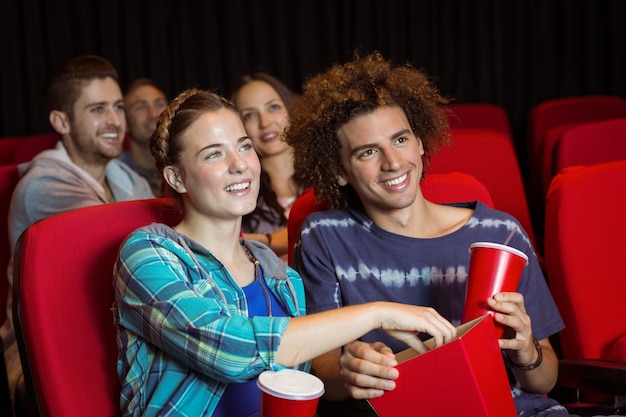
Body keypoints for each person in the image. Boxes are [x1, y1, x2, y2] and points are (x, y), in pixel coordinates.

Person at [113, 88, 458, 417]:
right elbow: (231, 352)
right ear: (177, 178)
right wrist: (377, 314)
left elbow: (301, 381)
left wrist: (353, 364)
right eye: (214, 154)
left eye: (244, 147)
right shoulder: (149, 252)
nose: (240, 164)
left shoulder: (281, 276)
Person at [285, 52, 586, 417]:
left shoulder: (501, 232)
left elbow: (545, 381)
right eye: (368, 152)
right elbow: (324, 372)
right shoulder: (326, 238)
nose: (393, 163)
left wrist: (528, 352)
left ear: (421, 143)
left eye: (400, 139)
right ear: (339, 172)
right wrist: (349, 368)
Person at [2, 54, 153, 416]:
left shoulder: (124, 176)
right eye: (98, 109)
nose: (116, 121)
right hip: (46, 348)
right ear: (61, 121)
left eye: (118, 107)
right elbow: (133, 244)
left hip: (118, 331)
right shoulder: (43, 184)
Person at [230, 73, 302, 260]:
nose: (265, 123)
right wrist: (271, 240)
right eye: (250, 115)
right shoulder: (235, 190)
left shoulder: (330, 180)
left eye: (273, 107)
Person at [120, 78, 168, 196]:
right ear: (124, 121)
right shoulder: (115, 174)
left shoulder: (184, 166)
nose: (153, 114)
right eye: (140, 107)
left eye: (159, 104)